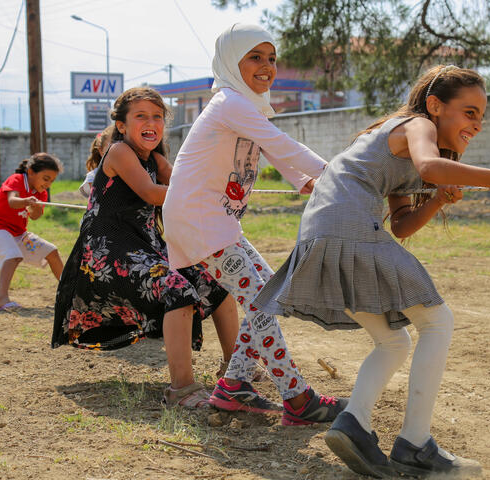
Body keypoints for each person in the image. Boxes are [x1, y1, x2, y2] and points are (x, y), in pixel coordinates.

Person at [254, 65, 490, 477]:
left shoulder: (406, 143)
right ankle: (415, 444)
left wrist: (437, 202)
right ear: (434, 105)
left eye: (482, 116)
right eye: (469, 112)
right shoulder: (417, 125)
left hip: (324, 230)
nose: (476, 125)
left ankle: (353, 423)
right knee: (438, 321)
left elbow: (402, 225)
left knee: (393, 341)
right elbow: (429, 168)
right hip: (346, 226)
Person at [162, 23, 347, 426]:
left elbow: (273, 148)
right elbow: (284, 144)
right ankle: (298, 398)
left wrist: (307, 181)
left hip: (215, 223)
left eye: (271, 58)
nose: (267, 67)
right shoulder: (229, 102)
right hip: (200, 223)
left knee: (267, 297)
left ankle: (234, 388)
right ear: (232, 61)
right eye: (255, 57)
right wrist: (341, 177)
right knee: (265, 297)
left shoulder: (243, 105)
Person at [51, 87, 239, 409]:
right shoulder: (120, 152)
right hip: (109, 251)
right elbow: (153, 193)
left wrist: (218, 185)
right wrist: (199, 193)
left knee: (215, 283)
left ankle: (235, 370)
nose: (151, 122)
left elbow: (184, 177)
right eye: (141, 116)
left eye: (157, 116)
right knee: (175, 289)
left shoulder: (155, 158)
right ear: (122, 126)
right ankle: (182, 389)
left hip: (145, 246)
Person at [0, 153, 64, 312]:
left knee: (52, 252)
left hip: (18, 233)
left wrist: (36, 208)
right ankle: (1, 300)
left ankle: (69, 292)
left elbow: (35, 217)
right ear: (31, 172)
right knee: (13, 256)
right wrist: (27, 201)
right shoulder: (17, 180)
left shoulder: (41, 193)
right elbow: (12, 202)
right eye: (46, 178)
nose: (48, 184)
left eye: (51, 181)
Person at [79, 125, 114, 198]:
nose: (120, 152)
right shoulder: (94, 176)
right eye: (113, 146)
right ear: (101, 151)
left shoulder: (134, 173)